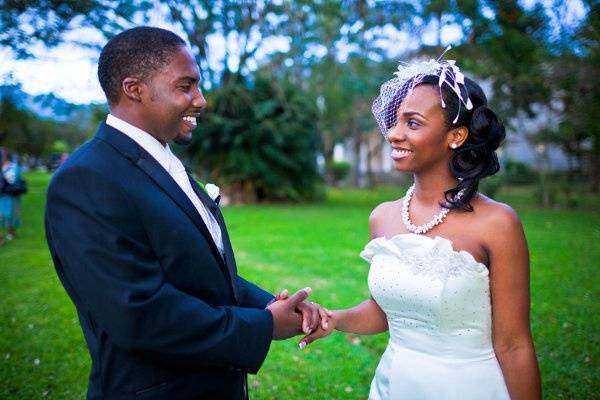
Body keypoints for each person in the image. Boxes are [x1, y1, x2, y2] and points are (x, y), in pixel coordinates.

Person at [45, 27, 329, 400]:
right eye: (185, 86)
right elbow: (139, 314)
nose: (201, 100)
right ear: (134, 89)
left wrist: (271, 305)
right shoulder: (87, 179)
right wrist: (262, 326)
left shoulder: (161, 162)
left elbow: (197, 272)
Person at [300, 53, 542, 399]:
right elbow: (386, 311)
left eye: (412, 123)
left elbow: (514, 345)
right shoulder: (382, 217)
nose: (394, 134)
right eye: (395, 122)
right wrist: (334, 319)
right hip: (393, 386)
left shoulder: (497, 223)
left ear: (455, 136)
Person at [0, 149, 23, 241]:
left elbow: (11, 180)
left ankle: (11, 233)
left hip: (11, 194)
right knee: (2, 214)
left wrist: (3, 172)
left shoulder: (13, 166)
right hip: (2, 194)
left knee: (11, 213)